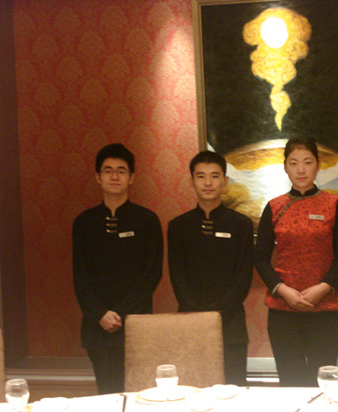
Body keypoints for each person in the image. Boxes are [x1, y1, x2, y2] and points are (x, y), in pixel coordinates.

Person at [255, 136, 338, 387]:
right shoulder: (275, 206)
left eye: (307, 162)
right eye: (294, 163)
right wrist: (282, 290)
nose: (301, 170)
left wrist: (323, 288)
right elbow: (260, 258)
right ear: (285, 167)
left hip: (325, 308)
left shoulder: (333, 204)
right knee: (291, 383)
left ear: (317, 165)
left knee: (323, 383)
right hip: (283, 310)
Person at [73, 143, 163, 394]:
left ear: (131, 177)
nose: (114, 176)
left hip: (135, 323)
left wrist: (121, 313)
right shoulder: (84, 223)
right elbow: (80, 276)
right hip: (97, 325)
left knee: (138, 394)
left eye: (121, 171)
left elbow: (151, 274)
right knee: (106, 395)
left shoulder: (147, 220)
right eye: (108, 170)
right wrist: (101, 313)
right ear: (98, 177)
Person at [168, 151, 254, 386]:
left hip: (231, 323)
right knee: (191, 391)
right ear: (192, 181)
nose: (208, 183)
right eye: (201, 176)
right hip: (190, 322)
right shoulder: (178, 226)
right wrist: (200, 317)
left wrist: (218, 315)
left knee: (233, 392)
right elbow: (178, 277)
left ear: (224, 181)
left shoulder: (241, 225)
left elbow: (243, 276)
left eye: (214, 176)